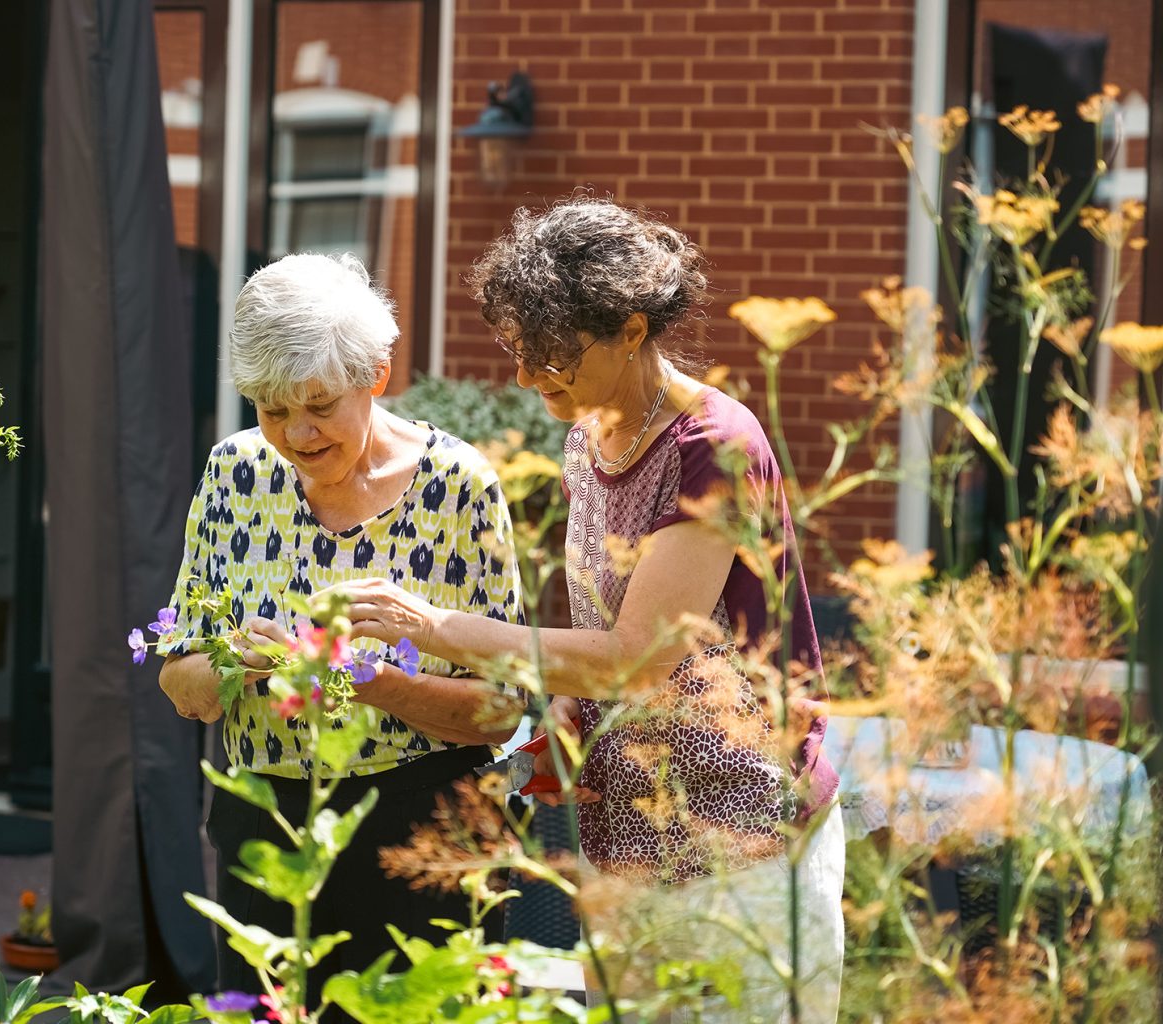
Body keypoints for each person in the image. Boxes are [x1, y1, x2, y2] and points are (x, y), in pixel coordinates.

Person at [327, 198, 844, 1023]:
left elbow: (639, 656)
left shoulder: (713, 447)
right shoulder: (587, 438)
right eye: (520, 355)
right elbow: (599, 630)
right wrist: (561, 723)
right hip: (630, 839)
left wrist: (430, 625)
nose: (529, 381)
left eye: (554, 360)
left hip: (744, 842)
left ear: (632, 330)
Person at [155, 253, 523, 1011]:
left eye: (319, 404)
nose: (296, 432)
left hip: (423, 827)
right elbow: (179, 681)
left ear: (376, 375)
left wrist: (374, 683)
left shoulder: (458, 487)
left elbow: (504, 711)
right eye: (270, 407)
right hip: (267, 822)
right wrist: (239, 666)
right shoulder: (234, 474)